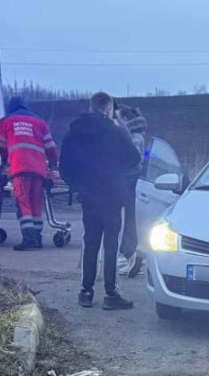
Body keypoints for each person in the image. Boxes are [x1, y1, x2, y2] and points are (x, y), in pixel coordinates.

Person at [59, 92, 141, 310]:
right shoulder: (114, 131)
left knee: (91, 243)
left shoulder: (73, 132)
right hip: (113, 195)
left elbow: (64, 167)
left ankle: (86, 292)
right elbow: (134, 158)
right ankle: (111, 294)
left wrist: (79, 186)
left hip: (88, 197)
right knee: (111, 245)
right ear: (108, 109)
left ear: (91, 107)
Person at [0, 97, 59, 251]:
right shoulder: (40, 122)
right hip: (39, 169)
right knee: (36, 202)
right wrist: (53, 164)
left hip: (20, 168)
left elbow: (1, 145)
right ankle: (37, 237)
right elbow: (51, 147)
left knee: (23, 203)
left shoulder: (6, 122)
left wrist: (4, 162)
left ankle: (29, 238)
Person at [115, 104, 148, 277]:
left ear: (126, 119)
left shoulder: (133, 138)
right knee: (130, 221)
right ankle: (131, 257)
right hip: (130, 183)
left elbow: (132, 160)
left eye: (119, 117)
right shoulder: (136, 136)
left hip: (129, 183)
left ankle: (127, 257)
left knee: (129, 221)